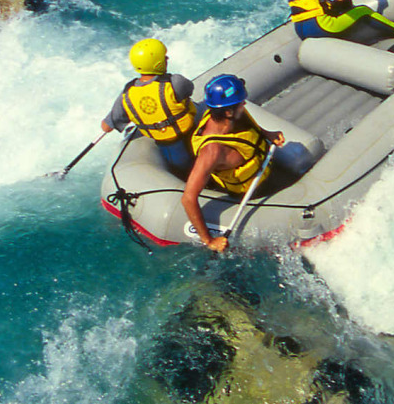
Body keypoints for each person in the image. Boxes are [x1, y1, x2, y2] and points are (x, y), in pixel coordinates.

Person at [183, 74, 285, 253]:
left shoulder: (228, 116)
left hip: (264, 170)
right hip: (253, 191)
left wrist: (267, 133)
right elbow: (188, 198)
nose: (244, 105)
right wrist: (209, 240)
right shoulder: (211, 151)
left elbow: (247, 127)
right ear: (228, 112)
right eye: (241, 103)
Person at [101, 38, 198, 177]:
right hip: (191, 138)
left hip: (166, 150)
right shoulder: (175, 82)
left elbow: (106, 127)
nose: (167, 58)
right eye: (164, 57)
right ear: (158, 63)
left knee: (183, 174)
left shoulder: (127, 95)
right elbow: (189, 89)